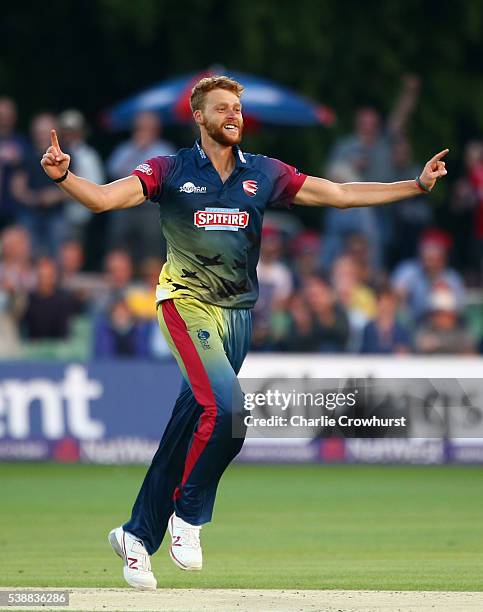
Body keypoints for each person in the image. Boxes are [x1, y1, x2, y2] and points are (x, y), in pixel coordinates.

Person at [40, 75, 448, 590]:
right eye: (222, 108)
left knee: (189, 424)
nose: (233, 115)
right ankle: (187, 517)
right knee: (230, 414)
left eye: (237, 107)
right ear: (200, 117)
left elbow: (340, 193)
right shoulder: (169, 170)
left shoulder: (263, 173)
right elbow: (101, 200)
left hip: (237, 318)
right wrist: (63, 179)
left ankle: (136, 535)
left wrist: (414, 185)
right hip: (185, 305)